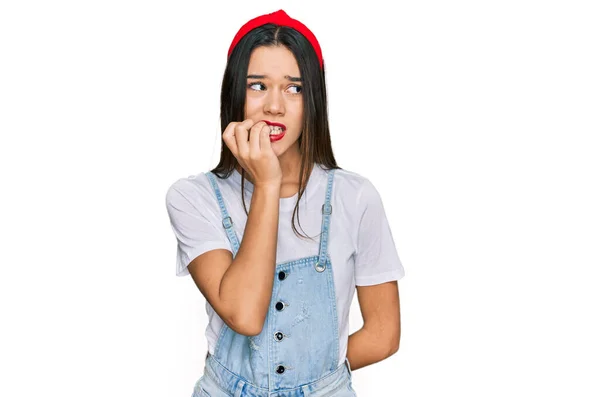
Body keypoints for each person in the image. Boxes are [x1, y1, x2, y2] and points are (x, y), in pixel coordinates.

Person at [165, 9, 405, 397]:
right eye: (257, 85)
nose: (274, 106)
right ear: (233, 94)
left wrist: (310, 384)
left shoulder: (355, 197)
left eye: (294, 88)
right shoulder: (193, 198)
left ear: (313, 100)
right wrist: (267, 183)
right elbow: (243, 313)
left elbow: (383, 334)